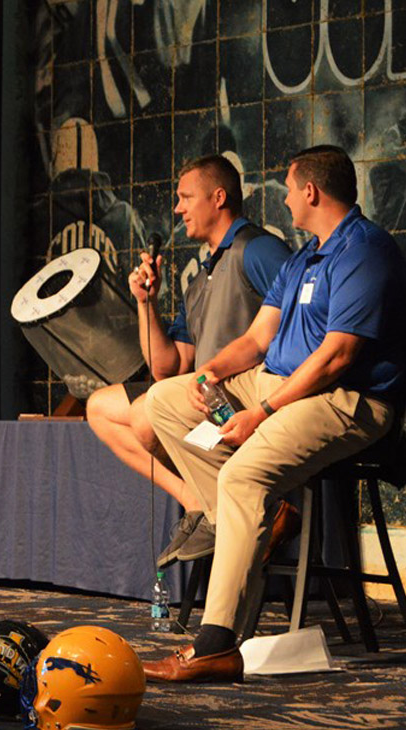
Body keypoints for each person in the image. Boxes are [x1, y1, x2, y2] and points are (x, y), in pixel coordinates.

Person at [142, 145, 406, 682]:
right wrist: (209, 372)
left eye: (288, 190)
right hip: (281, 384)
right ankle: (252, 522)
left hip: (347, 399)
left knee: (242, 476)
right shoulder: (303, 256)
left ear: (311, 191)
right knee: (164, 400)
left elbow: (337, 357)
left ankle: (217, 644)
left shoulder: (365, 249)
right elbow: (258, 338)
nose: (284, 200)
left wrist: (260, 412)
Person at [86, 154, 292, 568]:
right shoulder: (199, 279)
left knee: (145, 414)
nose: (178, 209)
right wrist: (146, 303)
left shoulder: (258, 249)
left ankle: (261, 505)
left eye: (185, 197)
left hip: (245, 400)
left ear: (218, 198)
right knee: (99, 408)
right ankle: (197, 499)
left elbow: (299, 319)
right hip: (198, 395)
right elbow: (168, 366)